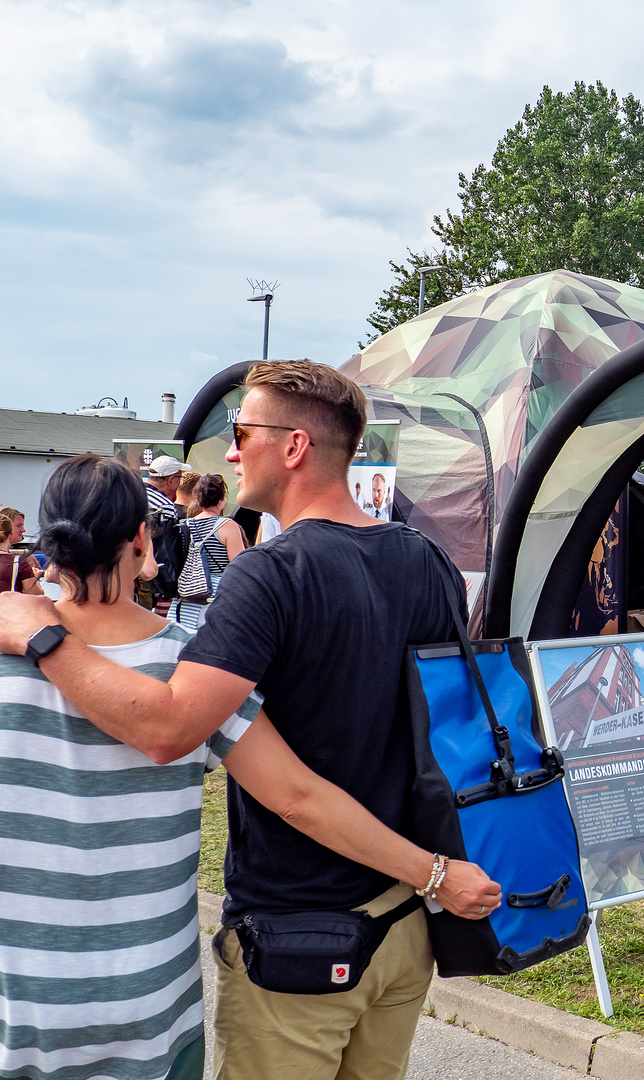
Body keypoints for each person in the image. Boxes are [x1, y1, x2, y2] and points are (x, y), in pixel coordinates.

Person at [0, 361, 485, 1079]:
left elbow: (171, 728)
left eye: (242, 432)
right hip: (403, 929)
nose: (230, 451)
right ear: (138, 538)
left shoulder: (270, 573)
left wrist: (42, 637)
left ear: (292, 446)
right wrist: (433, 876)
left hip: (299, 939)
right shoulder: (429, 561)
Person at [169, 473, 247, 630]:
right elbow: (240, 567)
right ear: (222, 500)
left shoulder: (184, 525)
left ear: (197, 498)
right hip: (214, 598)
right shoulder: (227, 525)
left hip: (185, 596)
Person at [0, 513, 41, 594]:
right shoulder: (18, 562)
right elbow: (36, 594)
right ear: (11, 535)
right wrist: (35, 577)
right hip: (8, 605)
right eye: (19, 525)